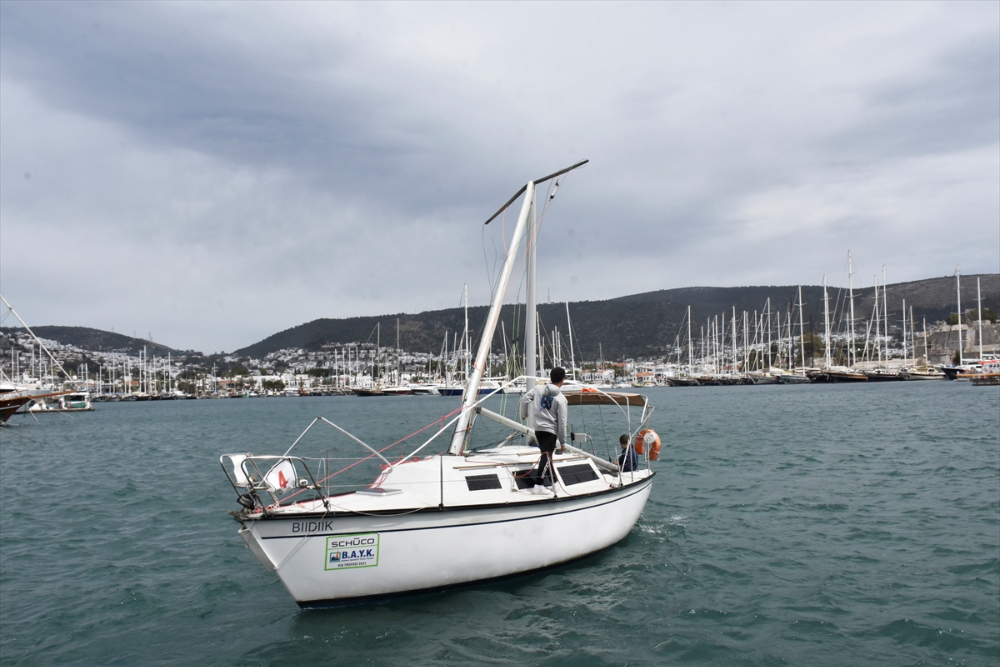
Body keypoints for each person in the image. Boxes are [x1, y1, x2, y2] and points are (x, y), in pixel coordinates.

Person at [520, 367, 569, 494]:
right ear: (562, 380)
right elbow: (562, 422)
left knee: (547, 456)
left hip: (538, 429)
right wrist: (563, 442)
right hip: (550, 431)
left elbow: (525, 399)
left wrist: (524, 414)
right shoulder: (561, 399)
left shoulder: (538, 389)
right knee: (546, 456)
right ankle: (539, 485)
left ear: (550, 377)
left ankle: (554, 482)